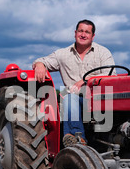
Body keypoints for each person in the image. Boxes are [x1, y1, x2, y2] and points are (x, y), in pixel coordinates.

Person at [33, 19, 115, 147]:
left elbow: (111, 74)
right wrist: (39, 65)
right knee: (70, 98)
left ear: (93, 36)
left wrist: (87, 80)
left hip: (97, 100)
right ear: (75, 33)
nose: (83, 34)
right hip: (73, 100)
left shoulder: (102, 52)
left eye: (87, 32)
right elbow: (42, 61)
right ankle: (77, 140)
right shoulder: (63, 54)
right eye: (80, 31)